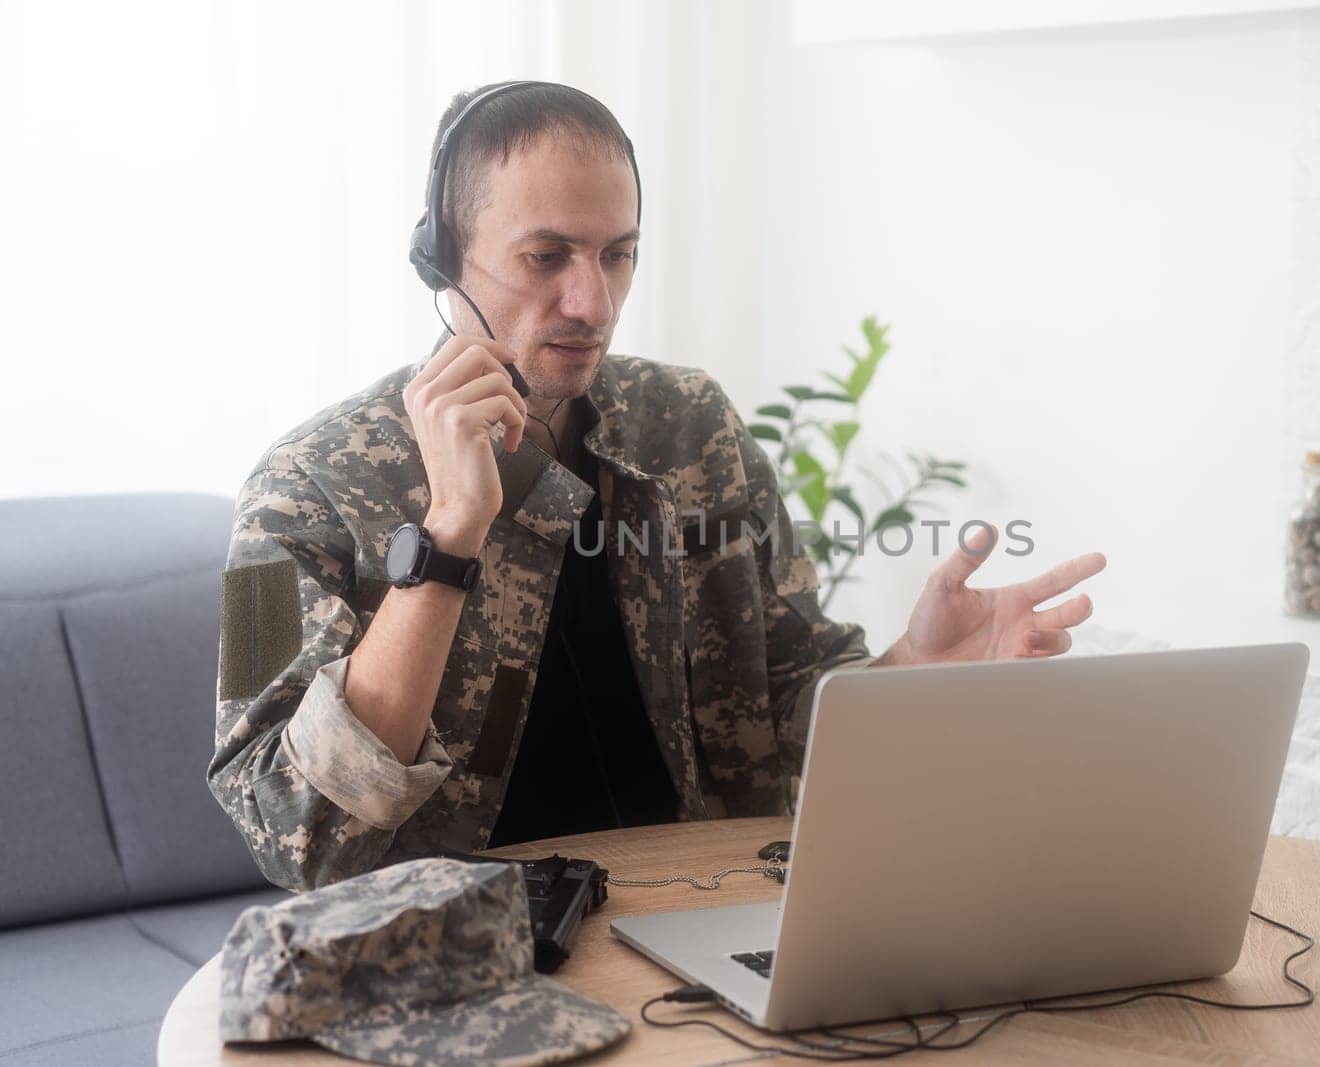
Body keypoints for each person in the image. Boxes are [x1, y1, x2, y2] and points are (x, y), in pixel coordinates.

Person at [208, 81, 1106, 892]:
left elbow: (794, 696)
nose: (592, 303)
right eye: (546, 257)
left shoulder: (695, 424)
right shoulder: (287, 488)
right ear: (444, 256)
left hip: (710, 914)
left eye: (618, 254)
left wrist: (912, 672)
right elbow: (283, 827)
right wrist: (447, 537)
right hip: (452, 964)